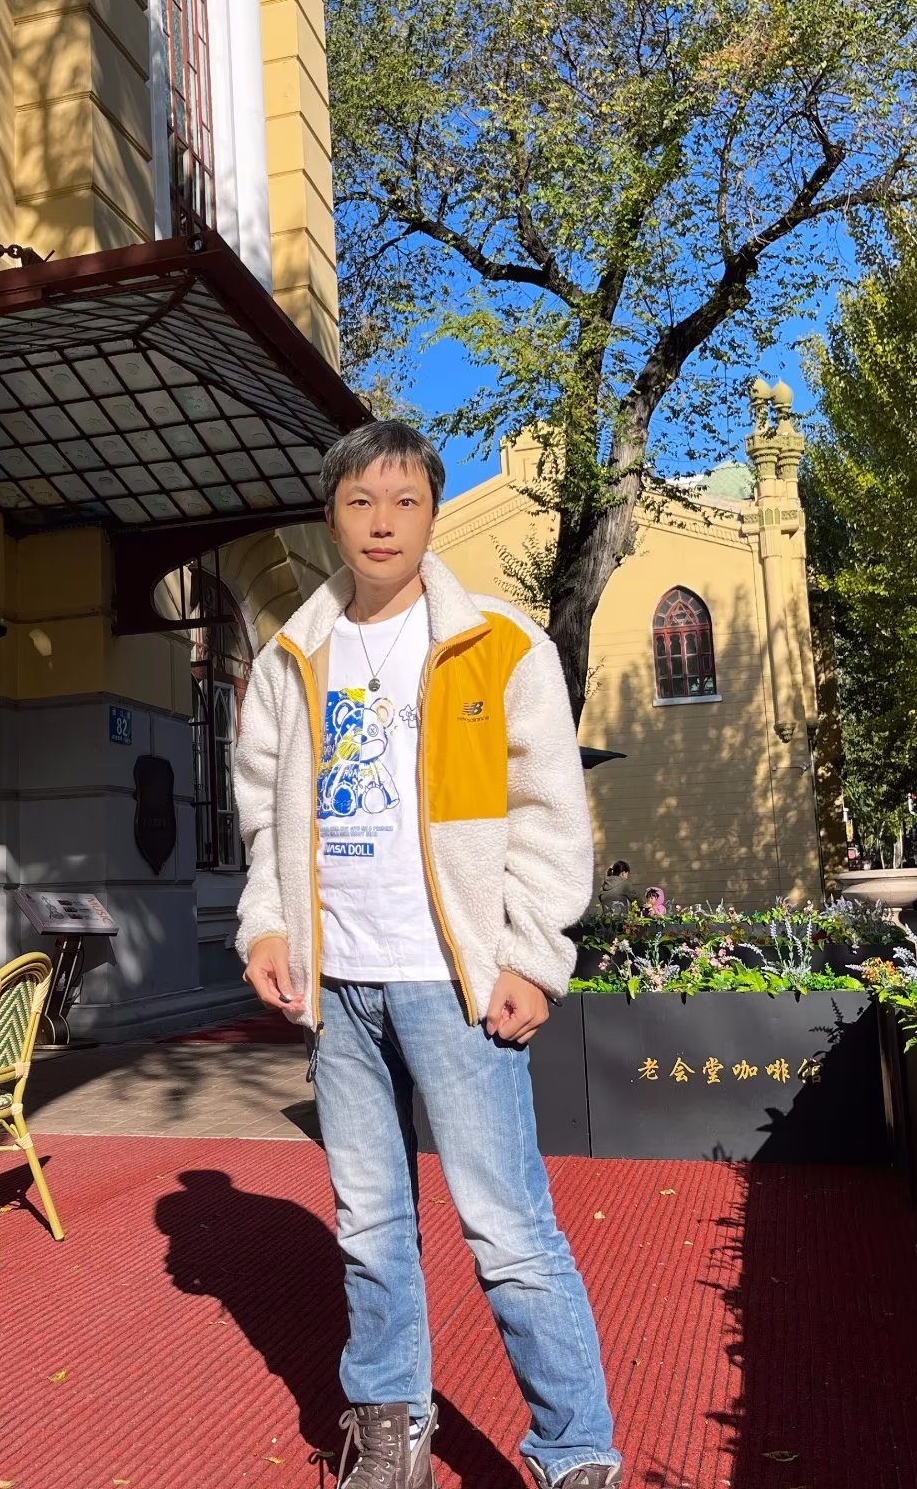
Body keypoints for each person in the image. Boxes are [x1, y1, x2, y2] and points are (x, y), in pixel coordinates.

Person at [235, 419, 621, 1489]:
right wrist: (267, 924)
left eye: (403, 501)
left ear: (432, 515)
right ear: (331, 518)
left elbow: (549, 811)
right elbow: (264, 812)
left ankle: (576, 1452)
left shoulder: (501, 643)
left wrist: (533, 955)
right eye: (360, 502)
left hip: (455, 984)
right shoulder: (290, 655)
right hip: (339, 987)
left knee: (508, 1230)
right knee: (368, 1227)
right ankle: (390, 1431)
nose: (382, 522)